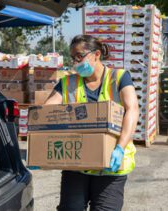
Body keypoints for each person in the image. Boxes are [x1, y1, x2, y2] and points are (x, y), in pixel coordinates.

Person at [45, 35, 139, 211]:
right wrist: (42, 143)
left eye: (80, 56)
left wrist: (120, 147)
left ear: (96, 54)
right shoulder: (67, 82)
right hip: (76, 164)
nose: (75, 62)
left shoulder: (119, 77)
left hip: (111, 165)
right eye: (73, 58)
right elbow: (46, 112)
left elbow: (132, 109)